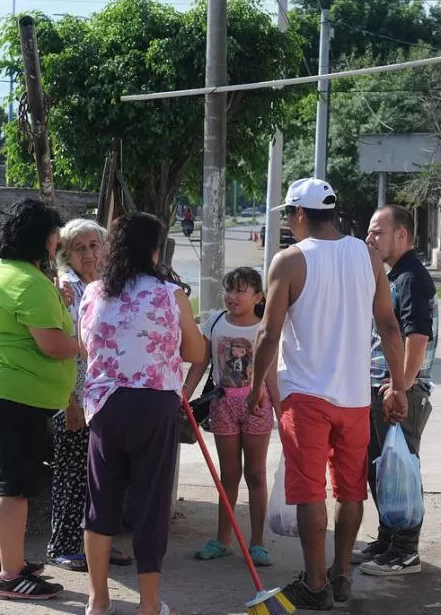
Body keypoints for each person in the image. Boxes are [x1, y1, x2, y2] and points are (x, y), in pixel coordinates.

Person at [247, 177, 408, 609]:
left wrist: (255, 387)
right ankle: (341, 577)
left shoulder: (290, 261)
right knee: (352, 490)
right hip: (355, 397)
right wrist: (397, 385)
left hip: (306, 397)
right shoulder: (368, 256)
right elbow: (389, 326)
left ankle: (315, 584)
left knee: (311, 494)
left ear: (300, 214)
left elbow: (268, 333)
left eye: (289, 215)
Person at [79, 212, 205, 615]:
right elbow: (196, 353)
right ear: (155, 251)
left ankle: (98, 602)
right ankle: (149, 606)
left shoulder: (94, 292)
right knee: (151, 505)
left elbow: (87, 346)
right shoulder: (170, 294)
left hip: (105, 406)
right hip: (153, 405)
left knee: (101, 503)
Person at [0, 199, 78, 601]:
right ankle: (12, 577)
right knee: (14, 488)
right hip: (18, 392)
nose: (56, 244)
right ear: (43, 238)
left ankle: (1, 560)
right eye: (54, 236)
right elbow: (51, 344)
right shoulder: (29, 282)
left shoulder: (0, 272)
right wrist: (86, 344)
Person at [47, 218, 132, 572]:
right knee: (73, 473)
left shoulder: (103, 287)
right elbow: (70, 349)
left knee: (102, 476)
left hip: (104, 399)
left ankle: (96, 543)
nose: (89, 254)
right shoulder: (68, 289)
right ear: (67, 255)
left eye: (94, 246)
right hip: (76, 399)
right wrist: (71, 402)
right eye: (79, 248)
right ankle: (64, 545)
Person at [357, 204, 438, 577]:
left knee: (400, 470)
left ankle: (406, 550)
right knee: (383, 468)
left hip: (402, 390)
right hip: (387, 387)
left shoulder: (410, 278)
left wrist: (399, 388)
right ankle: (388, 540)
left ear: (401, 235)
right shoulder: (396, 275)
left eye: (378, 232)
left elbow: (417, 339)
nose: (370, 238)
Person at [183, 267, 280, 567]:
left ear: (258, 296)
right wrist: (184, 394)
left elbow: (272, 375)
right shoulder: (214, 323)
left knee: (256, 474)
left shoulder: (265, 328)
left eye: (240, 290)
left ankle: (258, 543)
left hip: (257, 406)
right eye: (229, 290)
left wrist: (281, 410)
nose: (232, 296)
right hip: (222, 406)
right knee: (228, 476)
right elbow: (200, 363)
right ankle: (222, 540)